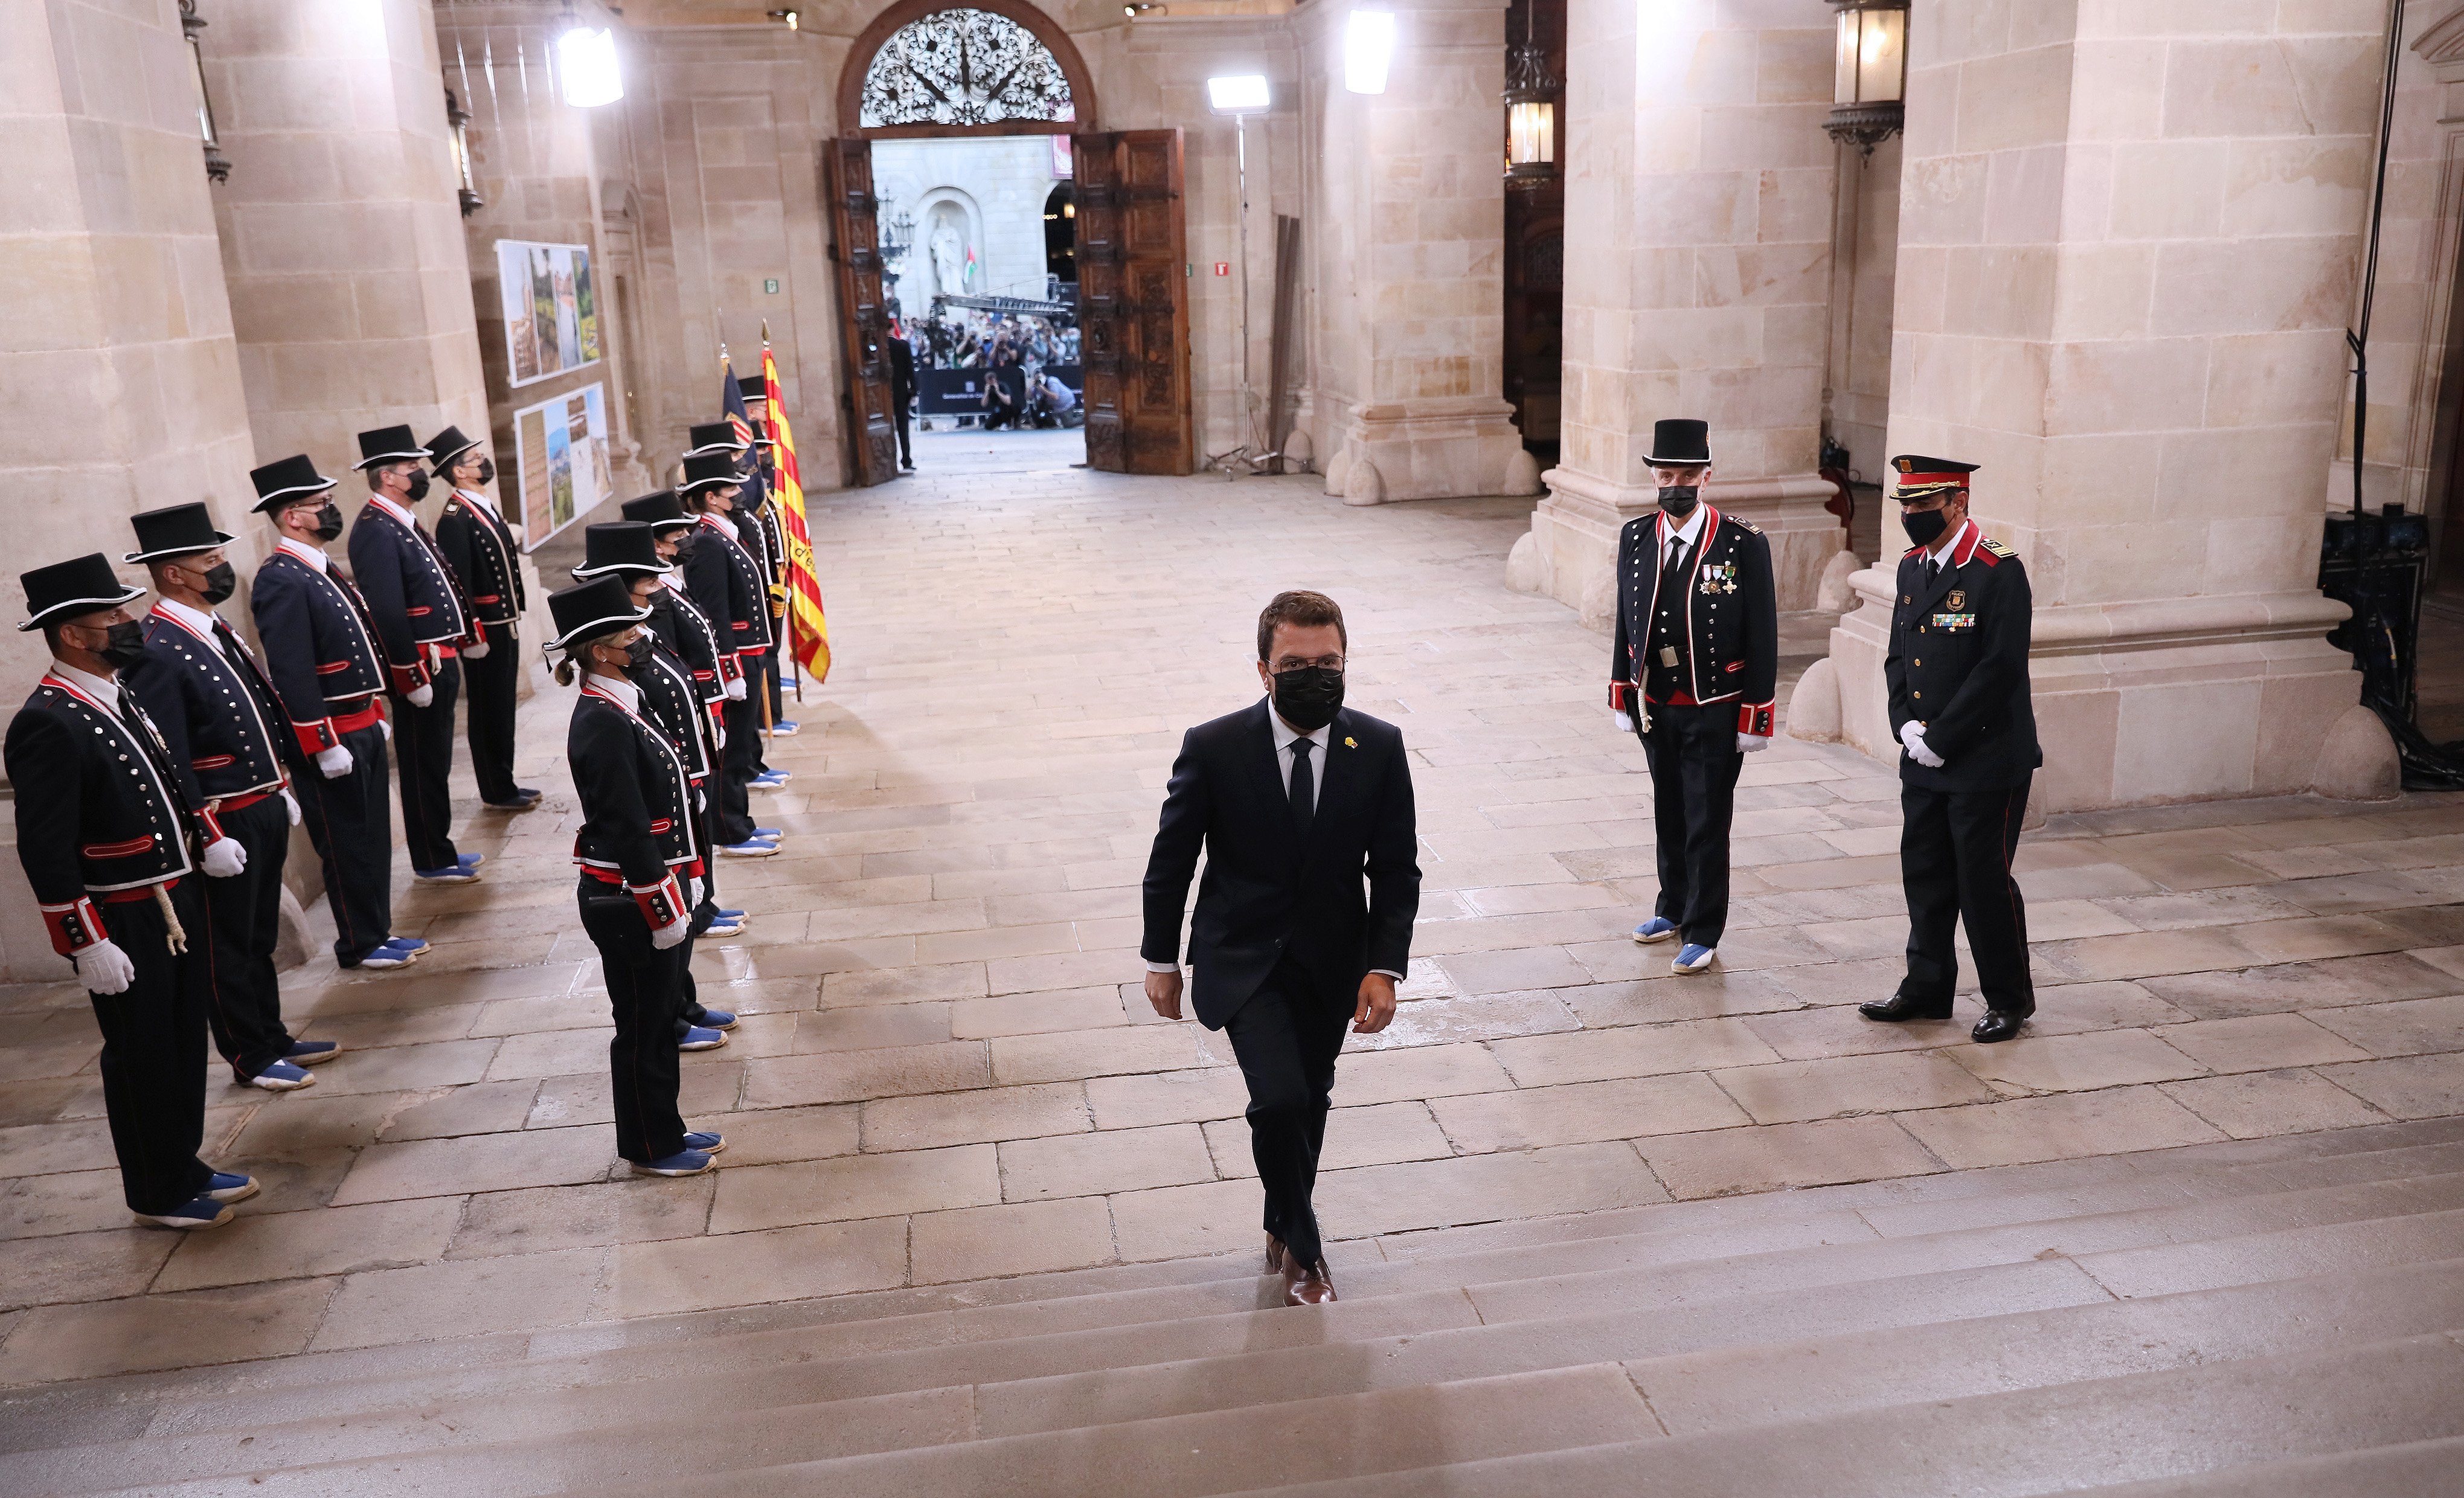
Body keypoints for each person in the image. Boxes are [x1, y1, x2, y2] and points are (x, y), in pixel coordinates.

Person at [1140, 591, 1419, 1307]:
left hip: (1332, 960)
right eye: (1295, 663)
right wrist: (1161, 960)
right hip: (1241, 957)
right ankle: (1305, 1247)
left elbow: (1394, 868)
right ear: (1263, 669)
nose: (1313, 674)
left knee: (1312, 1097)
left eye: (1328, 661)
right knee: (1280, 1096)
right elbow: (1173, 859)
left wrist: (1384, 967)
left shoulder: (1378, 746)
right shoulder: (1214, 746)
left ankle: (1277, 1215)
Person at [7, 553, 261, 1229]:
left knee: (180, 1041)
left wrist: (204, 835)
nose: (128, 622)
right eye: (112, 615)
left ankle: (184, 1162)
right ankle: (158, 1187)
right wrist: (85, 941)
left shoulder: (120, 693)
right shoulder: (48, 720)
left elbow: (170, 778)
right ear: (71, 634)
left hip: (172, 898)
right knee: (141, 1052)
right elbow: (46, 847)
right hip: (123, 916)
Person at [120, 503, 338, 1094]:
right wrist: (207, 834)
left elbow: (257, 715)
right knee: (230, 942)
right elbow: (173, 757)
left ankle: (271, 1032)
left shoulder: (213, 629)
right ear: (173, 574)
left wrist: (281, 785)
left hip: (261, 802)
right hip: (225, 818)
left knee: (260, 932)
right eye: (209, 559)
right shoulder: (159, 646)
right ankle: (249, 1052)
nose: (222, 568)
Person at [544, 575, 726, 1176]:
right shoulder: (600, 720)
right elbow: (624, 825)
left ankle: (664, 1126)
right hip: (625, 899)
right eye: (631, 635)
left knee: (656, 1019)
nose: (644, 639)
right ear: (600, 650)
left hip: (650, 889)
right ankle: (651, 1145)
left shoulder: (621, 702)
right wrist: (661, 903)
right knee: (643, 1026)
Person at [1859, 456, 2043, 1045]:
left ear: (1958, 502)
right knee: (1927, 874)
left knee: (1981, 881)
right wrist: (1905, 728)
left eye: (1924, 505)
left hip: (1986, 759)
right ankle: (1928, 986)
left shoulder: (1996, 570)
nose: (1912, 515)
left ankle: (2008, 998)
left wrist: (1942, 738)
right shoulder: (1913, 568)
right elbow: (1897, 657)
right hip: (1925, 756)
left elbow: (2000, 668)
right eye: (1906, 506)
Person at [1609, 418, 1777, 977]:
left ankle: (1704, 928)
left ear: (1706, 476)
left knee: (1708, 818)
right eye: (1665, 474)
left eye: (1686, 474)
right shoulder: (1635, 536)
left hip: (1716, 705)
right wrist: (1621, 691)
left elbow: (1763, 631)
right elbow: (1625, 623)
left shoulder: (1741, 542)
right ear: (1654, 477)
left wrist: (1756, 713)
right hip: (1656, 705)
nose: (1674, 484)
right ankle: (1672, 908)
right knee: (1669, 810)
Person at [571, 522, 746, 1052]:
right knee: (655, 969)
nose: (659, 572)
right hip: (658, 809)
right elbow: (622, 797)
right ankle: (672, 1014)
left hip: (677, 784)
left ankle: (681, 1003)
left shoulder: (649, 619)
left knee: (684, 918)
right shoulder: (602, 697)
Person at [248, 455, 420, 971]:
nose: (330, 511)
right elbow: (293, 670)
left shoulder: (318, 569)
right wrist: (321, 742)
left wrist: (373, 708)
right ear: (292, 516)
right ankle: (358, 942)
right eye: (320, 505)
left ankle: (378, 930)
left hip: (360, 721)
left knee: (371, 837)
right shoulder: (281, 578)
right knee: (346, 844)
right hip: (332, 736)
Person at [347, 425, 482, 886]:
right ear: (388, 477)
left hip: (439, 659)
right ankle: (430, 855)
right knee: (423, 762)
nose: (422, 475)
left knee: (437, 760)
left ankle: (439, 846)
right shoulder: (375, 530)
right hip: (421, 666)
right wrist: (410, 675)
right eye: (413, 470)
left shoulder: (399, 521)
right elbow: (387, 609)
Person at [677, 452, 788, 857]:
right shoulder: (706, 541)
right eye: (730, 488)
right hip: (736, 657)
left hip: (750, 651)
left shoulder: (724, 530)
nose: (739, 493)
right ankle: (730, 831)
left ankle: (741, 822)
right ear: (711, 497)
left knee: (741, 744)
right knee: (732, 749)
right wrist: (729, 668)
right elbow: (715, 612)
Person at [428, 424, 541, 811]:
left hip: (503, 623)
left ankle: (504, 779)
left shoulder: (483, 507)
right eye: (475, 459)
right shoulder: (455, 518)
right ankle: (495, 787)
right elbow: (460, 585)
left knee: (502, 705)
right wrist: (472, 635)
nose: (483, 462)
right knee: (488, 708)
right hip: (485, 633)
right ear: (459, 471)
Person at [889, 329, 917, 471]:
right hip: (900, 392)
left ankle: (887, 462)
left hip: (881, 393)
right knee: (903, 428)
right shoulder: (902, 346)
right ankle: (906, 459)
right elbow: (910, 370)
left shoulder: (876, 346)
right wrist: (914, 391)